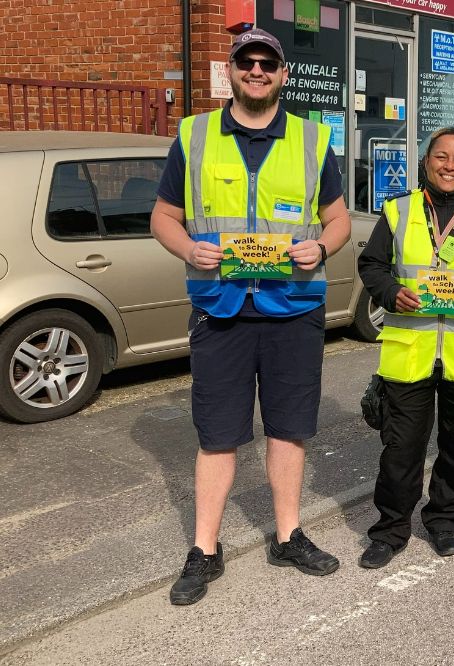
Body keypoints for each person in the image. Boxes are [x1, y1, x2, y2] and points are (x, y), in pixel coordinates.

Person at [151, 28, 351, 605]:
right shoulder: (195, 135)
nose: (257, 71)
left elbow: (336, 220)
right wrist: (189, 249)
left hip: (293, 309)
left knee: (290, 429)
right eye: (247, 62)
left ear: (283, 74)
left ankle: (288, 535)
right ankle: (204, 550)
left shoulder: (314, 140)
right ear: (232, 73)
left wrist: (324, 247)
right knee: (218, 435)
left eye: (268, 63)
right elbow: (163, 216)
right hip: (221, 310)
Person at [355, 127, 454, 569]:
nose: (449, 166)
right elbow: (371, 264)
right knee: (401, 447)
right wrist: (390, 293)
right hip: (410, 350)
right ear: (427, 161)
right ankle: (390, 530)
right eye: (441, 157)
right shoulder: (398, 211)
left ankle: (445, 522)